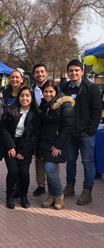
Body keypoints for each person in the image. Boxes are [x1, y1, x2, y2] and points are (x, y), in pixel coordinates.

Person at [60, 59, 101, 205]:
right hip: (69, 134)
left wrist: (90, 131)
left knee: (87, 162)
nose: (74, 73)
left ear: (82, 72)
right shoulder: (63, 88)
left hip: (86, 134)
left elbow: (97, 111)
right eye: (71, 70)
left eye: (76, 70)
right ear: (68, 72)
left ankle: (87, 191)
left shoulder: (91, 88)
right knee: (70, 161)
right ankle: (70, 186)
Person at [0, 86, 40, 209]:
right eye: (22, 95)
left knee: (24, 174)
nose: (24, 98)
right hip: (11, 144)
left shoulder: (36, 114)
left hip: (25, 146)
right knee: (13, 171)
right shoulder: (10, 110)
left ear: (32, 98)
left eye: (28, 95)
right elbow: (3, 129)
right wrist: (10, 146)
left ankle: (23, 196)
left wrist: (24, 151)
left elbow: (35, 135)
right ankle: (9, 195)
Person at [37, 80, 75, 210]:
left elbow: (68, 126)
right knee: (48, 170)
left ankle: (59, 195)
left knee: (50, 169)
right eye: (45, 91)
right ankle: (51, 195)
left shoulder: (65, 104)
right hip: (45, 142)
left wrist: (59, 145)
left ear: (56, 91)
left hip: (58, 143)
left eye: (51, 91)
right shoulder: (44, 104)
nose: (48, 94)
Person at [31, 64, 49, 197]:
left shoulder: (53, 89)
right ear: (33, 75)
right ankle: (41, 185)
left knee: (52, 160)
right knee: (38, 159)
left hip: (51, 130)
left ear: (46, 73)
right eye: (37, 72)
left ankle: (54, 186)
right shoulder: (31, 91)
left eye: (42, 72)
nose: (40, 74)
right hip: (36, 130)